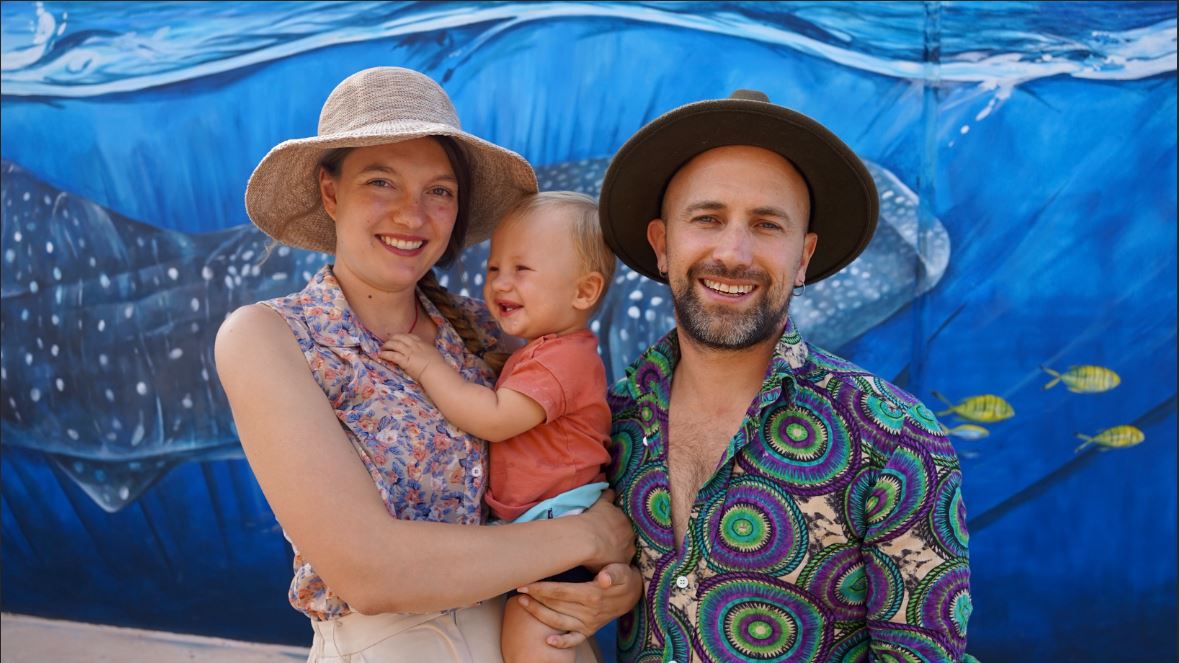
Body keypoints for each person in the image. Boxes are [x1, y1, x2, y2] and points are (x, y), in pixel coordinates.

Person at [215, 66, 639, 662]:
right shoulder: (271, 336)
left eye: (438, 190)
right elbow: (373, 572)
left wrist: (609, 587)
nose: (412, 215)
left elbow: (574, 460)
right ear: (331, 192)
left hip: (532, 638)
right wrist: (586, 537)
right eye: (381, 182)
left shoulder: (491, 328)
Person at [596, 90, 972, 662]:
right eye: (707, 218)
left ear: (803, 258)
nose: (734, 251)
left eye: (768, 225)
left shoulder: (894, 439)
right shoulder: (611, 422)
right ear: (661, 245)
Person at [380, 191, 617, 663]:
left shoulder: (561, 361)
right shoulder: (542, 350)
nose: (500, 284)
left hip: (559, 523)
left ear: (584, 292)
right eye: (493, 269)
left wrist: (429, 368)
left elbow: (492, 419)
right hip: (544, 525)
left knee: (533, 634)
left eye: (522, 270)